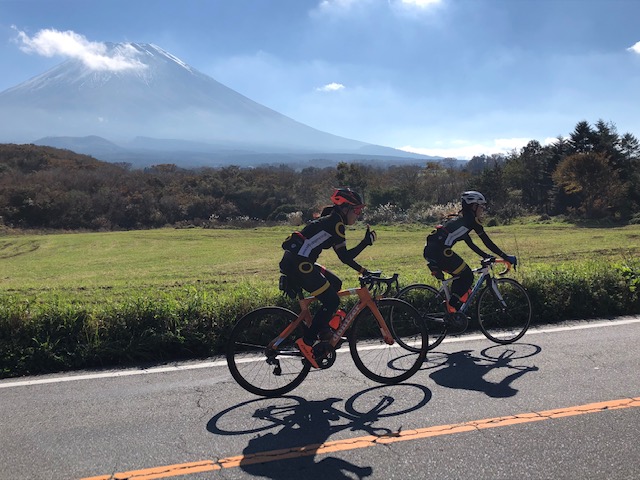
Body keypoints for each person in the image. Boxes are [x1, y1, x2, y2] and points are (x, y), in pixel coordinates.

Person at [279, 187, 377, 368]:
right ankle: (307, 341)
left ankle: (322, 328)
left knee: (335, 283)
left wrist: (363, 263)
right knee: (332, 301)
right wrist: (363, 266)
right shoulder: (336, 224)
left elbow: (343, 256)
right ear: (345, 208)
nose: (358, 215)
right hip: (300, 265)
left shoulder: (332, 221)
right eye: (356, 210)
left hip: (299, 261)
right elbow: (345, 257)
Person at [423, 190, 517, 316]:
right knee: (467, 275)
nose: (482, 209)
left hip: (431, 250)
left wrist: (486, 256)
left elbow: (471, 243)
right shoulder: (472, 221)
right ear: (474, 206)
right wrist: (506, 257)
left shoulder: (460, 220)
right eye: (481, 206)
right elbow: (487, 242)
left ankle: (453, 311)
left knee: (460, 274)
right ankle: (453, 305)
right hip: (441, 252)